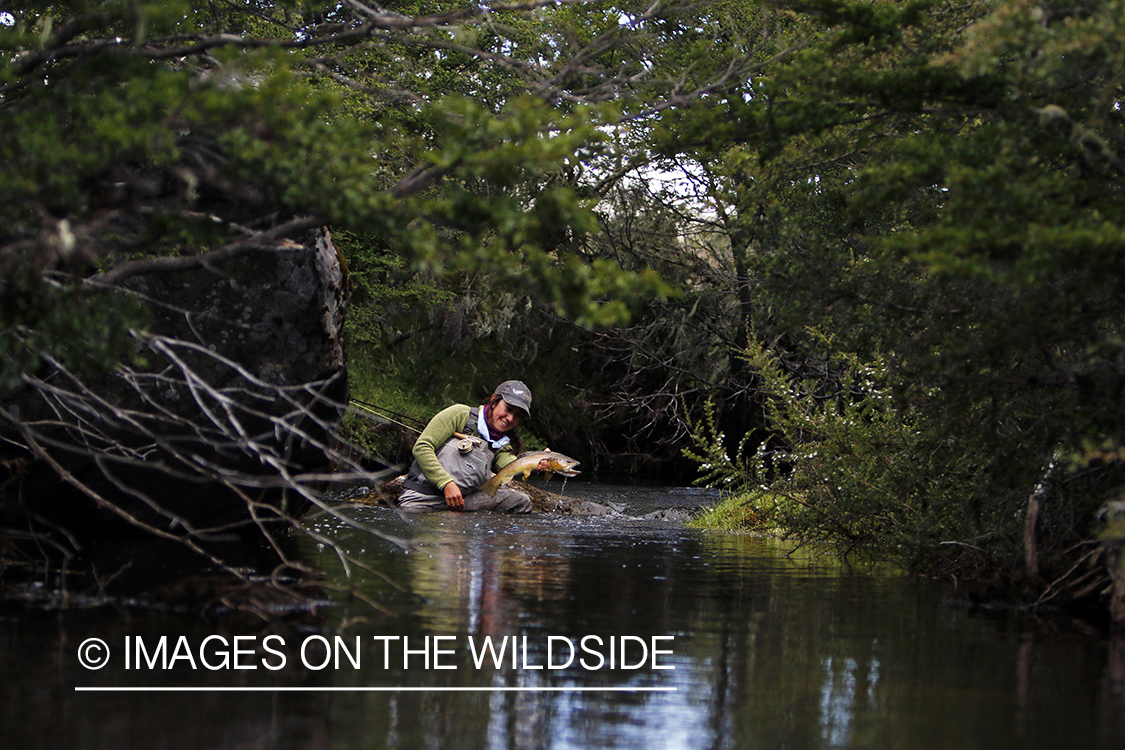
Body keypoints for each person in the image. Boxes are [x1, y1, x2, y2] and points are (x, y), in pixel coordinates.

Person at [397, 380, 537, 513]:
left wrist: (536, 462)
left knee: (520, 502)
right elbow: (422, 447)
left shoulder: (502, 442)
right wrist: (446, 484)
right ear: (494, 401)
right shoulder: (461, 414)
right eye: (508, 409)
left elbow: (511, 468)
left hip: (463, 503)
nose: (510, 418)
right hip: (423, 497)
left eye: (518, 415)